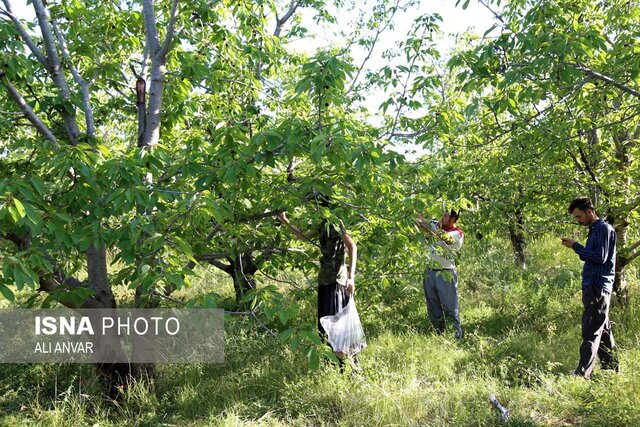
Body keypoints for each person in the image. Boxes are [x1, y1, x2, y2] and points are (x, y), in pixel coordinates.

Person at [275, 197, 357, 348]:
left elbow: (352, 246)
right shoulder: (321, 224)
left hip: (337, 281)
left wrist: (351, 278)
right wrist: (284, 220)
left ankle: (345, 362)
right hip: (325, 280)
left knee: (337, 324)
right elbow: (302, 237)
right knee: (324, 325)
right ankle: (330, 362)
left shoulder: (335, 223)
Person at [561, 197, 619, 378]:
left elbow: (599, 257)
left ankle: (582, 374)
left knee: (590, 331)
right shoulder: (595, 230)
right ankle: (611, 369)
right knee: (603, 331)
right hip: (594, 286)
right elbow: (593, 257)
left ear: (589, 211)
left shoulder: (603, 229)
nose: (578, 221)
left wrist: (575, 246)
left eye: (579, 216)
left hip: (597, 286)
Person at [416, 210, 464, 339]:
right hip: (430, 272)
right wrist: (419, 219)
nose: (442, 218)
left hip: (446, 272)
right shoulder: (436, 226)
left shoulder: (457, 234)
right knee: (433, 306)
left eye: (446, 216)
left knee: (450, 306)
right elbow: (422, 224)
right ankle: (438, 333)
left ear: (453, 219)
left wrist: (428, 225)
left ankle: (456, 335)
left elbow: (443, 237)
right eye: (443, 214)